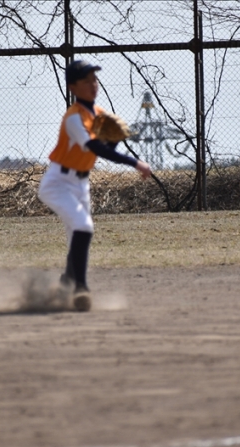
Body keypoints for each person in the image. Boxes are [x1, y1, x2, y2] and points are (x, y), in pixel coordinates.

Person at [38, 60, 152, 312]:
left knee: (77, 237)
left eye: (94, 79)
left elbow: (106, 145)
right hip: (58, 183)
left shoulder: (98, 114)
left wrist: (115, 141)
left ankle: (65, 285)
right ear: (72, 87)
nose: (93, 85)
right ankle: (80, 289)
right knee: (84, 226)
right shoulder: (73, 118)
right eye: (86, 81)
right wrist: (134, 162)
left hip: (80, 184)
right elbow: (95, 148)